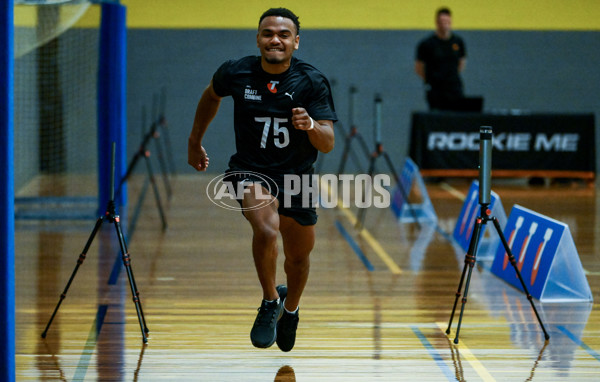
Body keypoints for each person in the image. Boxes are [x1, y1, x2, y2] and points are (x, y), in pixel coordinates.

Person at [187, 8, 337, 352]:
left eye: (284, 35)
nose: (275, 39)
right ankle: (270, 301)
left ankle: (291, 308)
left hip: (296, 176)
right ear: (258, 38)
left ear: (296, 42)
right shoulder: (236, 71)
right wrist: (195, 141)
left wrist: (310, 125)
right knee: (266, 228)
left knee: (298, 258)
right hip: (250, 170)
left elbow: (327, 141)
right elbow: (211, 95)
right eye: (268, 33)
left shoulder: (312, 81)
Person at [415, 7, 467, 111]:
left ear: (451, 22)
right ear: (437, 22)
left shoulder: (458, 42)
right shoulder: (427, 44)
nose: (444, 24)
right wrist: (431, 80)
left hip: (454, 88)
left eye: (447, 21)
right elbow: (419, 68)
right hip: (436, 90)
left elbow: (461, 63)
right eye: (442, 21)